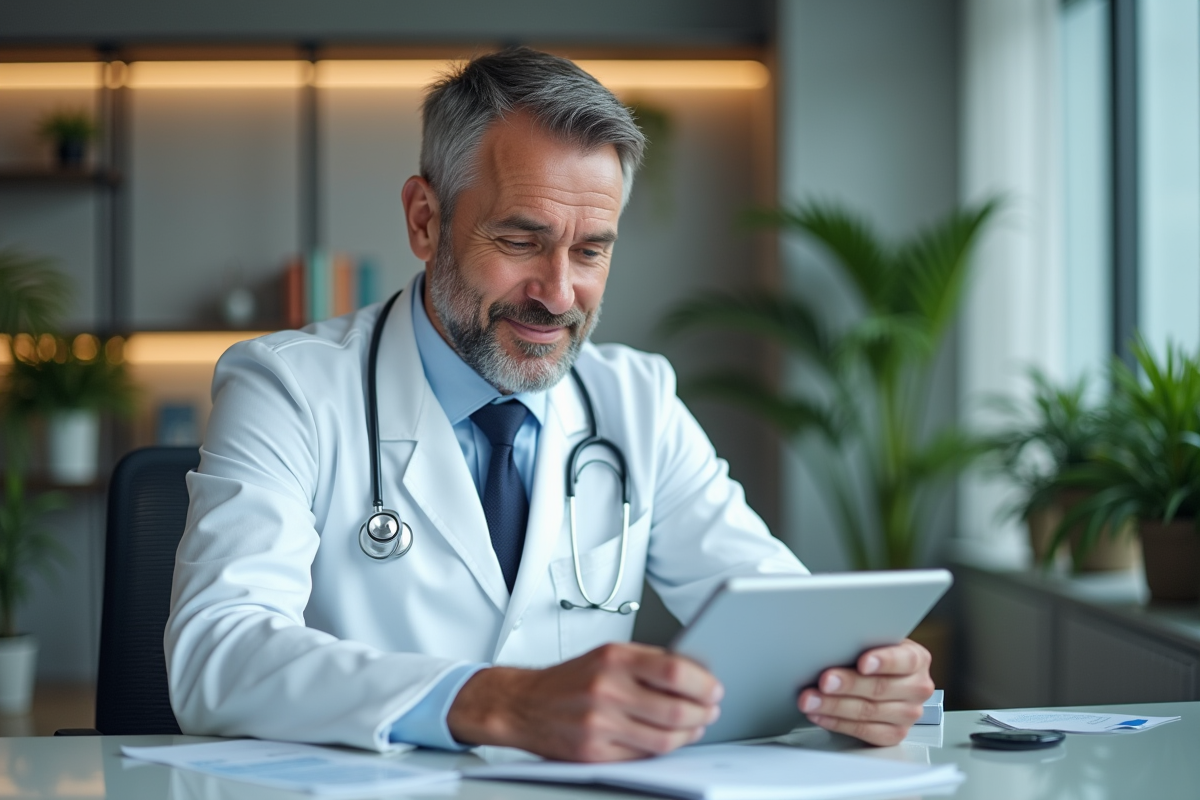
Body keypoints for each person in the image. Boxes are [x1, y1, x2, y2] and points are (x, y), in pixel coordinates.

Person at [165, 47, 934, 762]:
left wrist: (867, 677)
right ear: (425, 220)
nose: (559, 294)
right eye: (520, 240)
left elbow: (782, 618)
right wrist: (501, 702)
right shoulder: (290, 388)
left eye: (591, 249)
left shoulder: (637, 400)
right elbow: (218, 652)